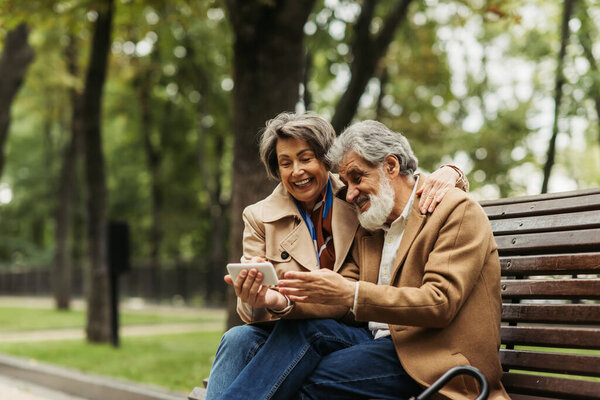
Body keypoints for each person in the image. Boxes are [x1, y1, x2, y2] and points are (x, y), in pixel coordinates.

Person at [215, 120, 508, 400]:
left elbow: (440, 302)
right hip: (379, 344)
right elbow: (344, 295)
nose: (351, 194)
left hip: (435, 356)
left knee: (301, 379)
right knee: (264, 337)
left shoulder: (454, 211)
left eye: (357, 179)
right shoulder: (372, 224)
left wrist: (452, 171)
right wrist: (280, 301)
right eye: (345, 183)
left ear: (391, 166)